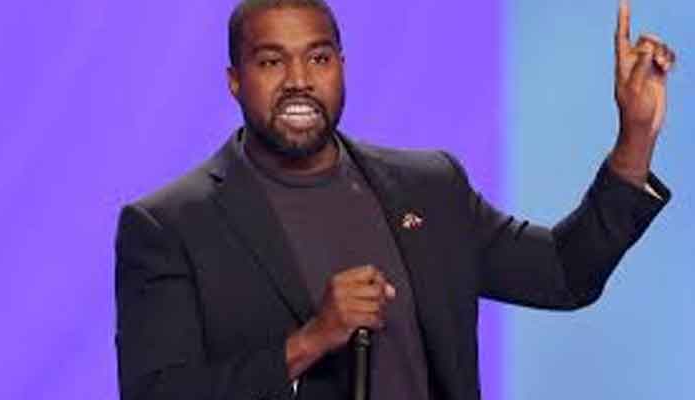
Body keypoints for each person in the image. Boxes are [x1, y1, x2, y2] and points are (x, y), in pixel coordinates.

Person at [113, 1, 675, 399]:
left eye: (318, 58)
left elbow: (563, 273)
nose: (299, 80)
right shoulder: (170, 225)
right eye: (270, 62)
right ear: (235, 80)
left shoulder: (430, 186)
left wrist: (636, 137)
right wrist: (309, 341)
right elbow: (157, 393)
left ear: (342, 66)